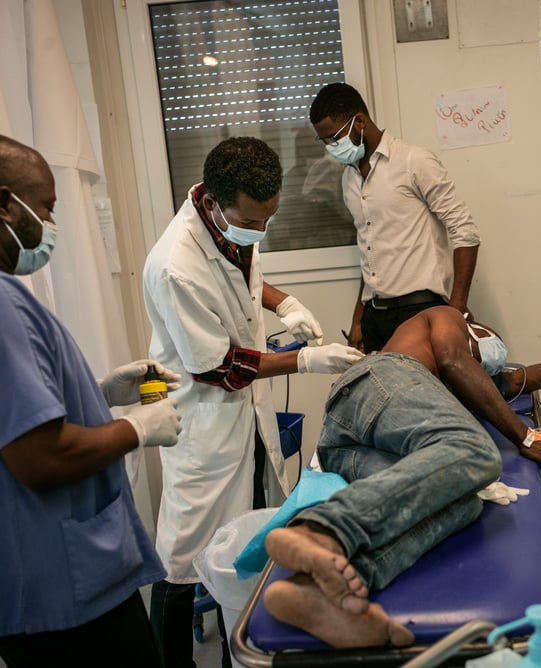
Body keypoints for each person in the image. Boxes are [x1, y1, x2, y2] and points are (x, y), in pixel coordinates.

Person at [0, 132, 183, 666]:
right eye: (47, 208)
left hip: (14, 571)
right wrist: (138, 429)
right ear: (5, 202)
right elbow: (40, 456)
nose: (50, 227)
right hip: (58, 580)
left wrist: (97, 393)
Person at [142, 135, 363, 668]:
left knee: (244, 537)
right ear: (216, 204)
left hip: (246, 411)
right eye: (252, 221)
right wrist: (306, 361)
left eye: (269, 219)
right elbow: (219, 367)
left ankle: (235, 655)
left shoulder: (231, 219)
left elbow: (244, 271)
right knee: (184, 557)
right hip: (202, 420)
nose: (260, 230)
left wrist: (282, 300)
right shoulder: (177, 264)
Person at [261, 305, 541, 647]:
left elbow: (517, 379)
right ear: (473, 327)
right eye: (486, 345)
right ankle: (323, 531)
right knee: (475, 450)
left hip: (344, 448)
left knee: (465, 501)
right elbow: (454, 358)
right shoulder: (446, 318)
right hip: (381, 379)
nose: (486, 358)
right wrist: (526, 437)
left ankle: (322, 592)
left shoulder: (466, 383)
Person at [309, 82, 482, 353]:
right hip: (375, 315)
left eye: (334, 138)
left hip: (420, 308)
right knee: (379, 393)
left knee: (421, 392)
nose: (331, 147)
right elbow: (369, 251)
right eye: (325, 141)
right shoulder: (349, 178)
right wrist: (358, 319)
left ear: (359, 122)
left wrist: (457, 307)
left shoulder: (414, 162)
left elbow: (465, 231)